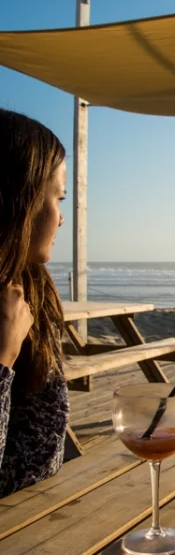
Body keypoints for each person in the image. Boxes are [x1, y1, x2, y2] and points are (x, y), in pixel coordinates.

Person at [0, 109, 69, 498]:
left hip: (37, 514)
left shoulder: (31, 290)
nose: (60, 219)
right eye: (57, 198)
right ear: (19, 198)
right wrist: (3, 358)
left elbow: (45, 451)